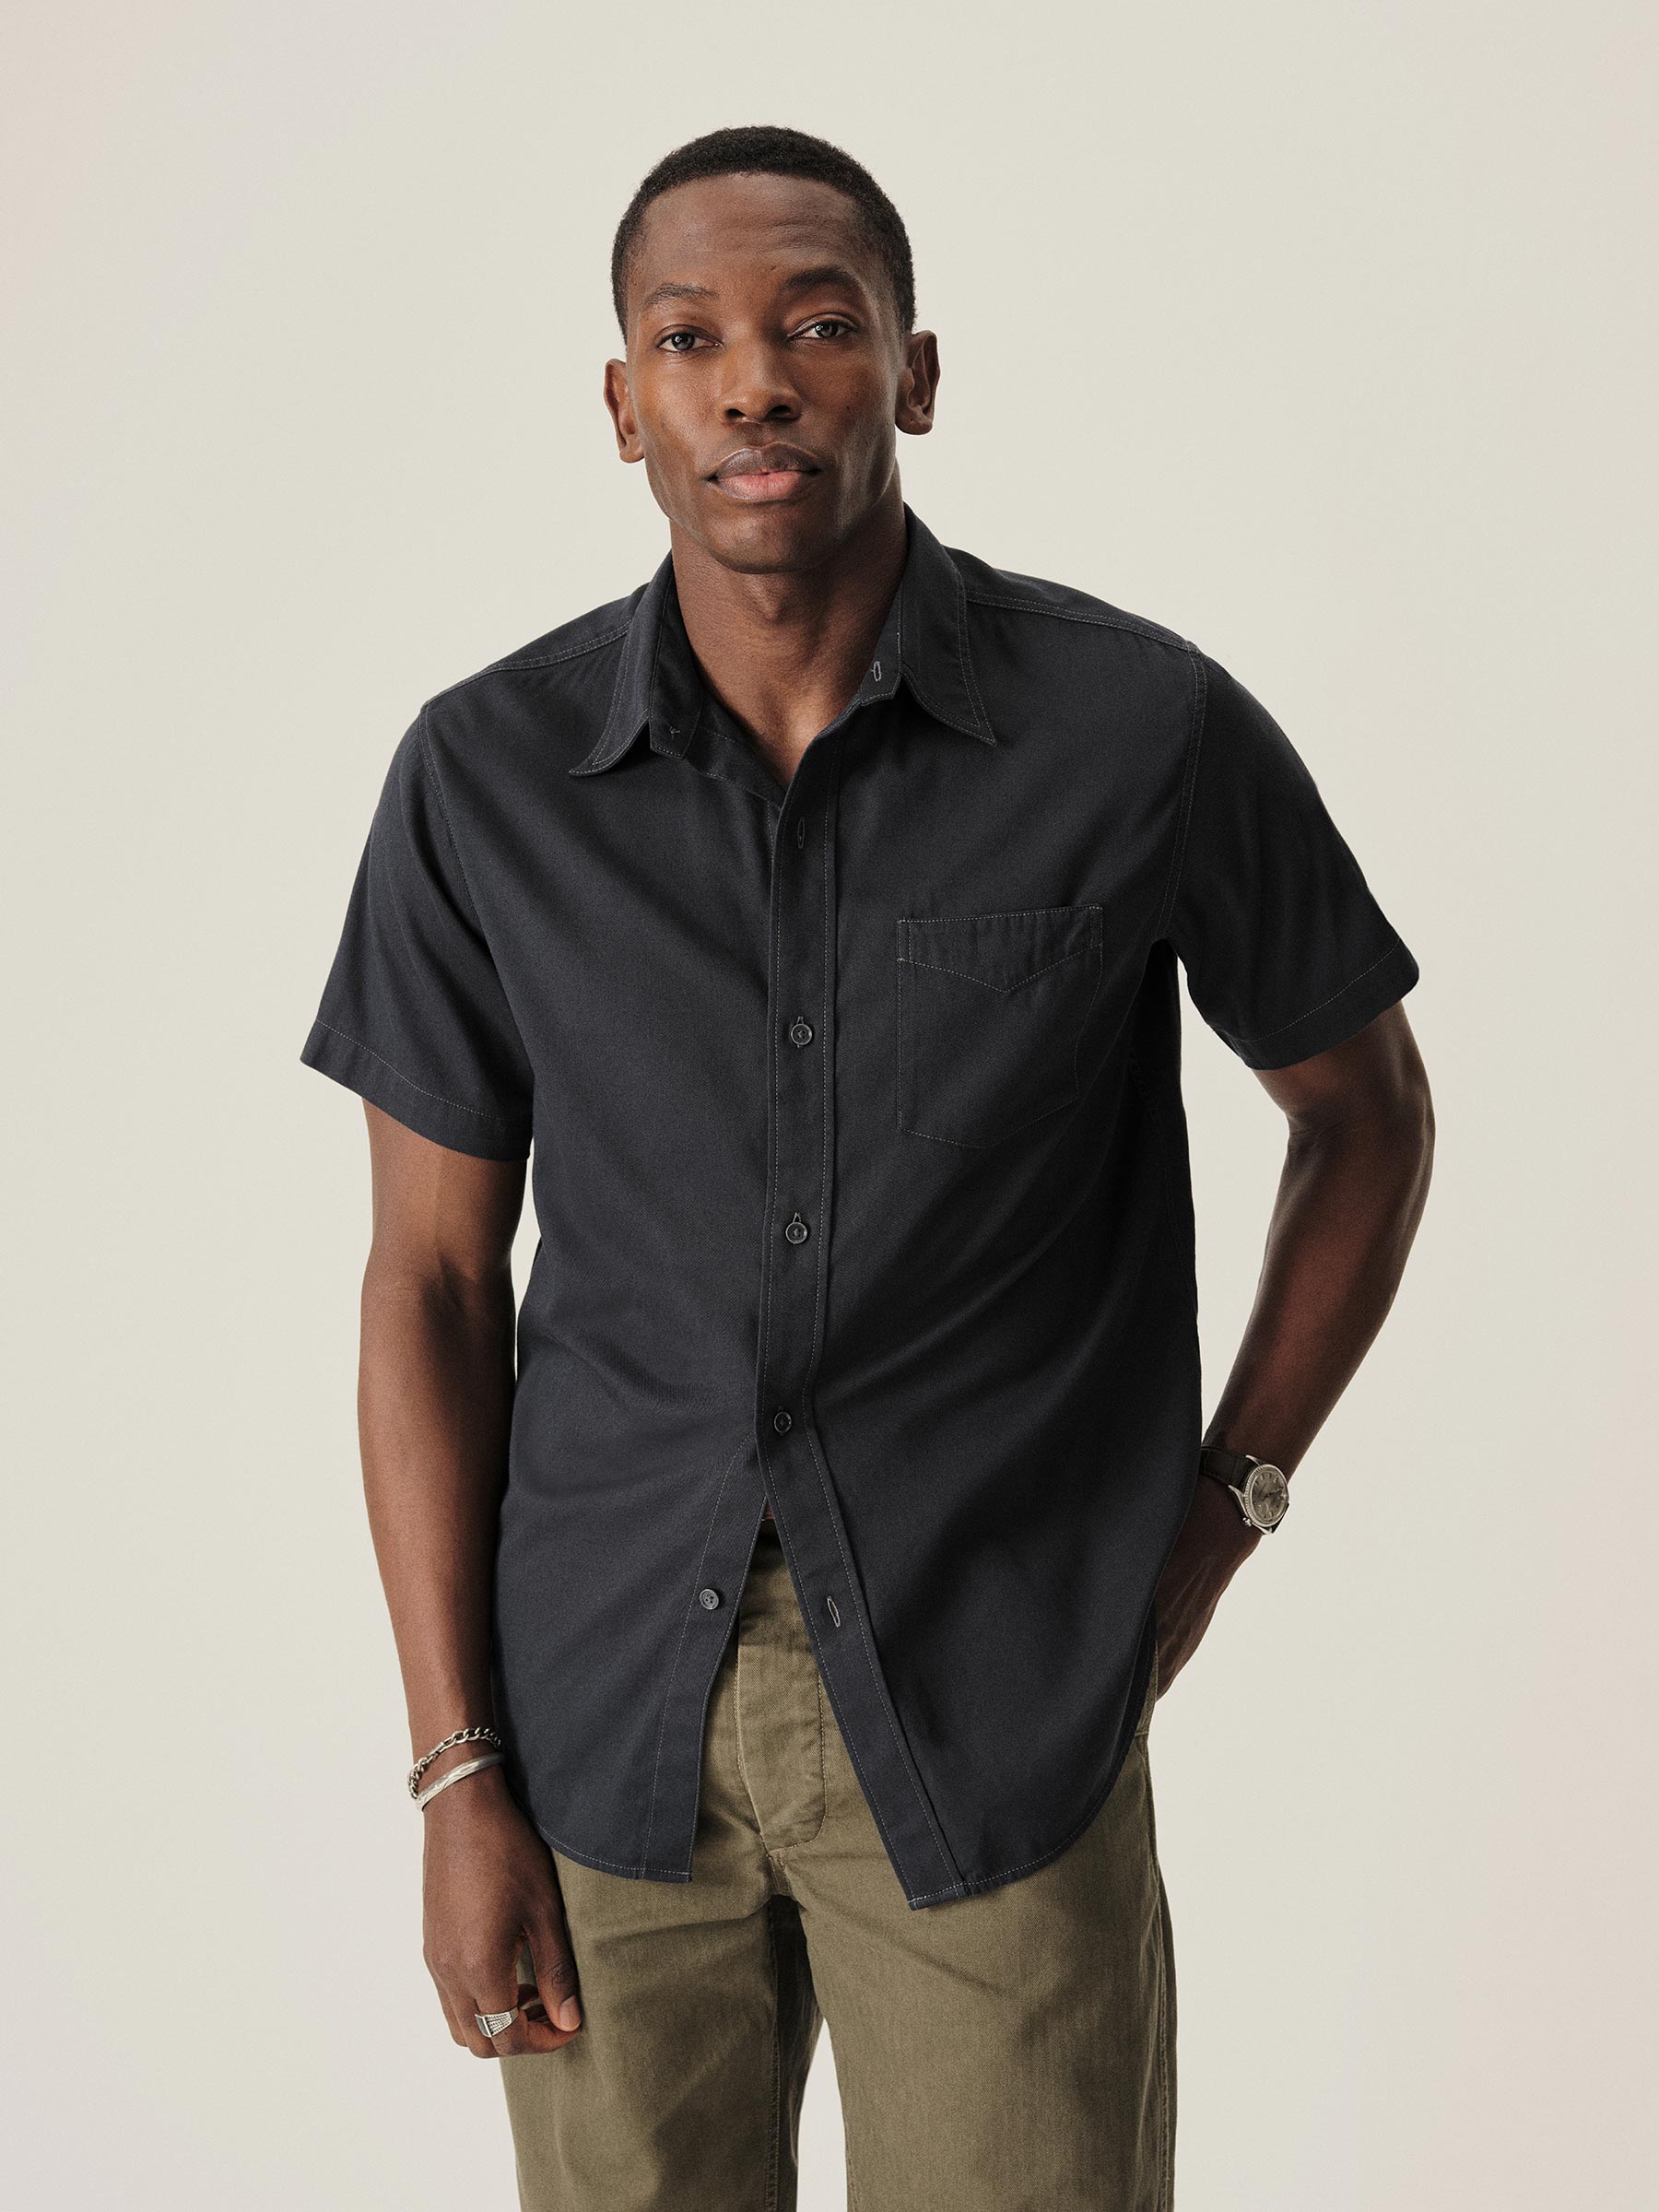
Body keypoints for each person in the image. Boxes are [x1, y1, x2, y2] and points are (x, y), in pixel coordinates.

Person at [300, 123, 1433, 2211]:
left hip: (1002, 1696)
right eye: (690, 339)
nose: (755, 382)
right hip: (597, 1724)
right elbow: (432, 1283)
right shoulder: (483, 778)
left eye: (819, 325)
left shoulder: (1142, 730)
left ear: (913, 374)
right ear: (623, 405)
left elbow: (1366, 1118)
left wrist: (1224, 1508)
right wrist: (456, 1774)